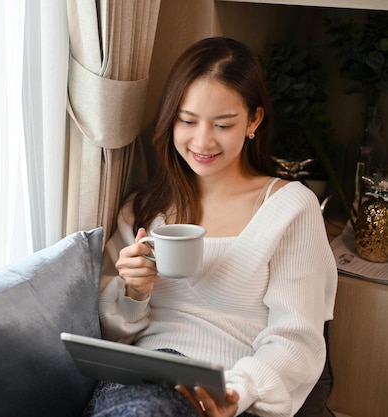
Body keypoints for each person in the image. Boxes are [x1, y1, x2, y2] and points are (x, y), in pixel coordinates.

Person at [86, 37, 338, 417]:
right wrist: (134, 292)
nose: (202, 140)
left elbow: (296, 339)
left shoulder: (290, 208)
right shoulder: (143, 209)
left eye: (223, 124)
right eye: (187, 121)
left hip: (230, 391)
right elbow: (114, 336)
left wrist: (234, 393)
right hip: (140, 381)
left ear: (253, 120)